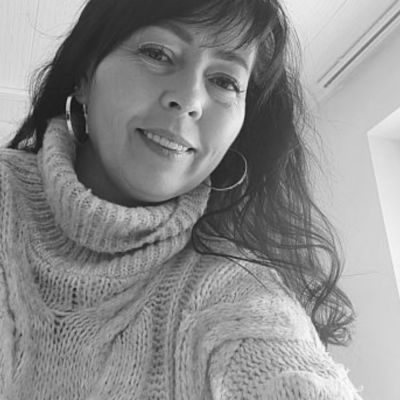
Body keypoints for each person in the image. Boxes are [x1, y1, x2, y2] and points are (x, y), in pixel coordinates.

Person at [0, 0, 363, 398]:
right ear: (85, 77)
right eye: (157, 54)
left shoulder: (238, 292)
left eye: (224, 81)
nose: (189, 100)